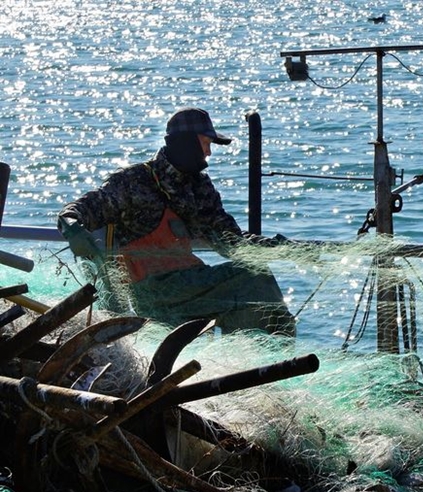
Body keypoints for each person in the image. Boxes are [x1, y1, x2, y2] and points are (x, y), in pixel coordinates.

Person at [57, 107, 295, 337]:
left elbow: (230, 242)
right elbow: (77, 210)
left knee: (250, 291)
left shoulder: (200, 187)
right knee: (253, 278)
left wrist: (279, 247)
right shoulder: (133, 181)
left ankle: (255, 365)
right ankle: (276, 352)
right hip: (150, 291)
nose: (209, 153)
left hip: (188, 284)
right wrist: (72, 228)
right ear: (187, 143)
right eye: (205, 144)